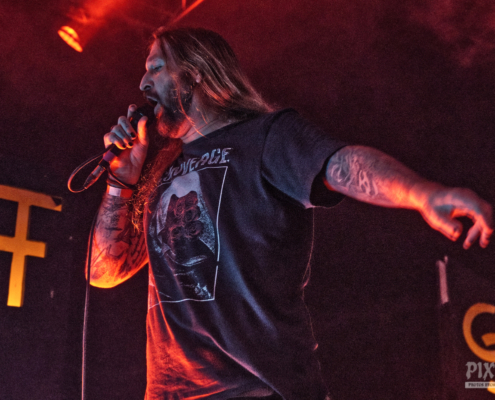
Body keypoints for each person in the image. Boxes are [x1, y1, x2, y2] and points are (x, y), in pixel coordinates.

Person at [88, 27, 493, 400]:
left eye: (156, 68)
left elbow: (343, 164)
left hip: (257, 389)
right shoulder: (161, 171)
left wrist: (423, 193)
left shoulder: (265, 136)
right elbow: (103, 272)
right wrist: (121, 182)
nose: (143, 83)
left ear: (195, 73)